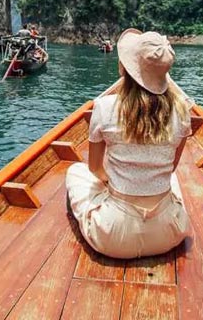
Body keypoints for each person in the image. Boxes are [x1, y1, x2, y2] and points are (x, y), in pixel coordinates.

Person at [65, 28, 192, 259]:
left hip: (113, 237)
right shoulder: (183, 111)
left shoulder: (104, 107)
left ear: (126, 67)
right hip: (168, 233)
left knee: (75, 171)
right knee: (172, 179)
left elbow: (95, 168)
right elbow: (171, 167)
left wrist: (110, 182)